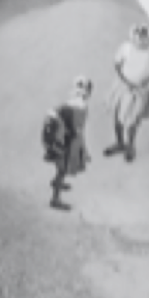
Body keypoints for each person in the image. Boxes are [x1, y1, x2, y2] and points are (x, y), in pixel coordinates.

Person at [107, 24, 149, 162]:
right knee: (117, 117)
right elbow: (117, 64)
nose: (141, 40)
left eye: (144, 37)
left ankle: (130, 147)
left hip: (139, 91)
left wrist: (144, 84)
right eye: (139, 37)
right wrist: (124, 81)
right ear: (134, 37)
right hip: (122, 87)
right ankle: (119, 143)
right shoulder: (126, 47)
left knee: (132, 122)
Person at [44, 77, 92, 211]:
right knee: (62, 169)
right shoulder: (74, 108)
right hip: (67, 143)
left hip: (71, 141)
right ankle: (55, 199)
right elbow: (72, 128)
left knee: (62, 168)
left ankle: (57, 182)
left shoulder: (71, 105)